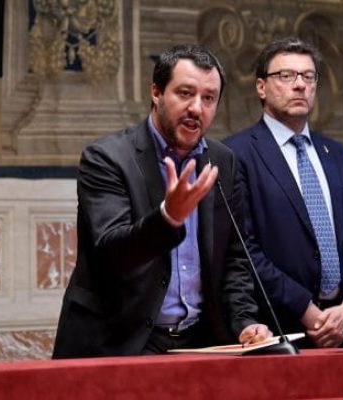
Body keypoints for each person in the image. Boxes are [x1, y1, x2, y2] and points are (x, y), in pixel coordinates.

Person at [52, 44, 271, 358]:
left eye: (208, 98)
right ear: (156, 92)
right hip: (120, 342)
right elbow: (111, 252)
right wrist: (169, 217)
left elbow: (234, 258)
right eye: (185, 93)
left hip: (199, 344)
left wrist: (244, 321)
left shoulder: (223, 161)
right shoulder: (106, 158)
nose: (197, 108)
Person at [223, 37, 343, 348]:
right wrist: (307, 310)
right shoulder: (236, 154)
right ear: (261, 87)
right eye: (286, 76)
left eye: (308, 76)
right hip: (276, 330)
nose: (300, 85)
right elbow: (245, 249)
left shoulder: (338, 156)